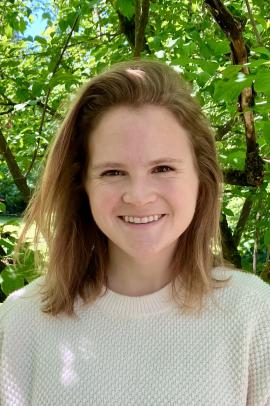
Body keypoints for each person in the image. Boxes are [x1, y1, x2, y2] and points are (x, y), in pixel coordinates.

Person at [0, 59, 269, 406]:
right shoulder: (22, 322)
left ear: (201, 179)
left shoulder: (253, 317)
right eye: (113, 172)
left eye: (163, 168)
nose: (139, 196)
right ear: (82, 184)